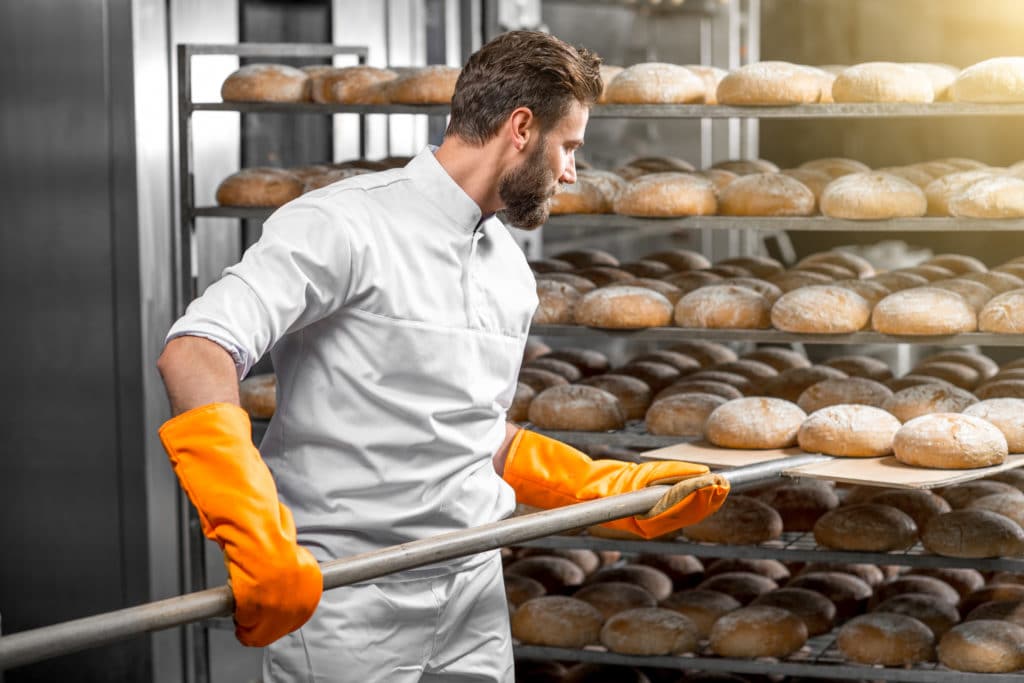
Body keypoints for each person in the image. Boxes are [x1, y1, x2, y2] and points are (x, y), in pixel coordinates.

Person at [156, 30, 729, 682]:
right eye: (569, 146)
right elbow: (196, 350)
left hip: (472, 584)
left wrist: (596, 486)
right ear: (521, 128)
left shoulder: (508, 269)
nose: (571, 171)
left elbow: (469, 429)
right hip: (351, 593)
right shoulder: (343, 226)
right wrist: (253, 530)